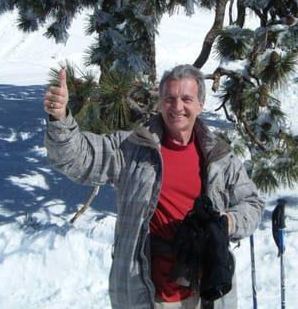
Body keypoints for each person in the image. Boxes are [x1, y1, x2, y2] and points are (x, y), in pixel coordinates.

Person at [44, 64, 264, 309]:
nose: (177, 107)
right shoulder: (134, 148)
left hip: (207, 295)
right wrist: (59, 118)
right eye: (169, 98)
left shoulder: (219, 157)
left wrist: (226, 222)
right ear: (160, 103)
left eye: (187, 99)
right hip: (147, 295)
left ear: (200, 105)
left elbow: (252, 204)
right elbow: (79, 158)